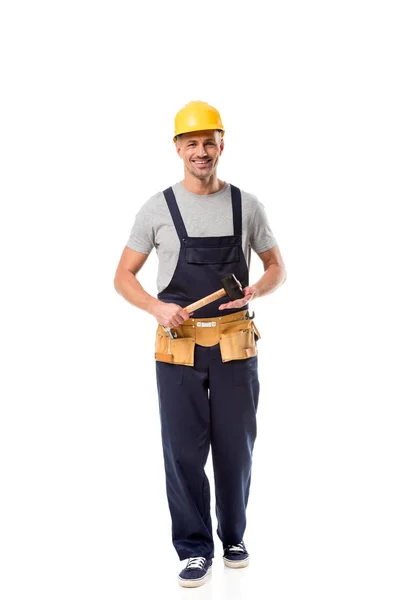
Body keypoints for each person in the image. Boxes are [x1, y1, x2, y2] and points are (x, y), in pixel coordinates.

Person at [114, 100, 286, 588]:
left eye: (209, 141)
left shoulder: (246, 205)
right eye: (192, 143)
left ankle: (233, 536)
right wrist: (154, 306)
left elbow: (277, 267)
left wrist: (258, 288)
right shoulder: (157, 208)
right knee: (183, 451)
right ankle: (194, 549)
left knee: (236, 447)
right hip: (178, 347)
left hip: (235, 346)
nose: (201, 151)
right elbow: (123, 276)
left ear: (221, 144)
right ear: (178, 148)